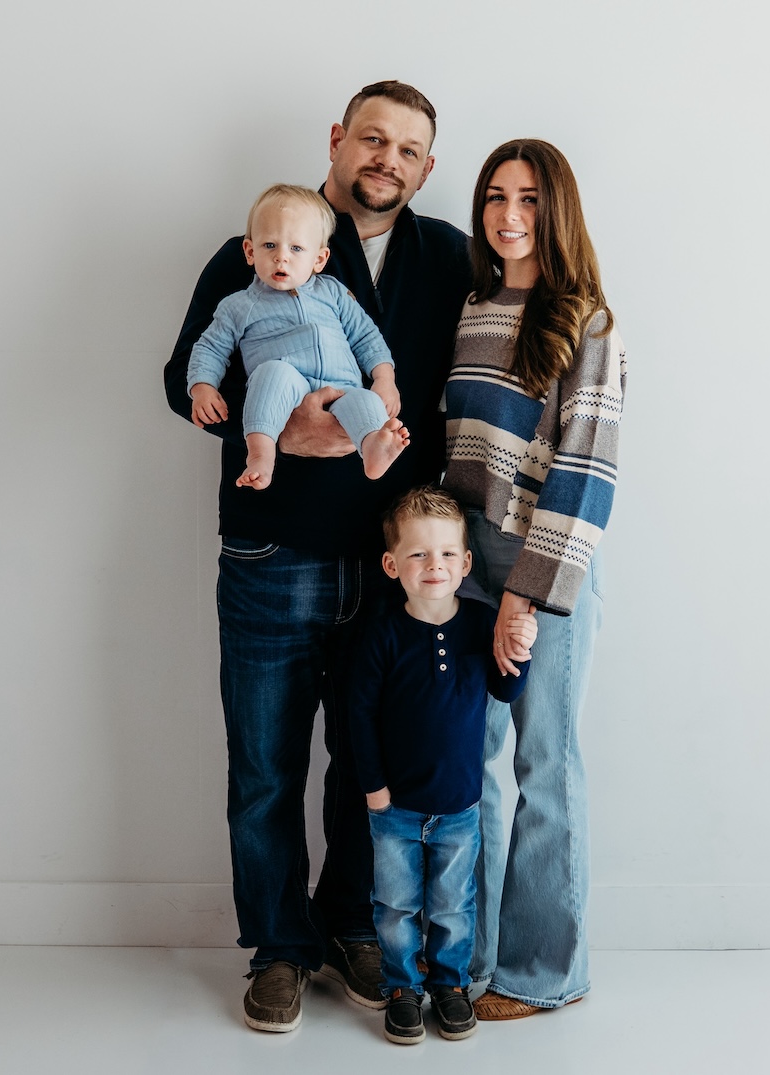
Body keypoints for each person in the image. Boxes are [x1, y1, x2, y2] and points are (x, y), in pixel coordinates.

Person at [163, 81, 472, 1033]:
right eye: (371, 139)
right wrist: (275, 431)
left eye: (408, 150)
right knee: (264, 764)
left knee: (364, 761)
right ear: (337, 142)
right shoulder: (255, 246)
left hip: (393, 566)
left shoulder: (447, 257)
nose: (386, 159)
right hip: (273, 550)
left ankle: (350, 928)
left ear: (425, 168)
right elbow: (186, 377)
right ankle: (280, 948)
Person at [441, 139, 626, 1019]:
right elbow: (462, 452)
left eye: (528, 199)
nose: (509, 215)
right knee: (468, 767)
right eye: (494, 197)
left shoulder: (587, 321)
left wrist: (522, 594)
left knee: (545, 764)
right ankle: (471, 962)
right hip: (466, 567)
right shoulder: (474, 306)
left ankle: (546, 972)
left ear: (557, 211)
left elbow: (585, 476)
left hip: (547, 571)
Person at [349, 486, 537, 1044]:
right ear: (392, 564)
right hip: (395, 808)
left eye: (448, 554)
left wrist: (520, 649)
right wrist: (374, 790)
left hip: (459, 805)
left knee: (455, 905)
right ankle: (403, 988)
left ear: (467, 562)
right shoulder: (381, 636)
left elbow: (504, 690)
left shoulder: (480, 626)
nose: (436, 566)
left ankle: (451, 987)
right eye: (419, 554)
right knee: (395, 905)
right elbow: (358, 717)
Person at [186, 184, 411, 489]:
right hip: (287, 388)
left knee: (368, 402)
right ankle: (260, 457)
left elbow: (366, 335)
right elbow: (210, 348)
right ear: (250, 251)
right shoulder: (240, 306)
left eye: (296, 248)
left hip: (342, 386)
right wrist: (202, 387)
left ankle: (373, 448)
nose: (282, 258)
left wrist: (385, 378)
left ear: (319, 259)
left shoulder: (333, 293)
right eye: (269, 246)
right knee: (271, 374)